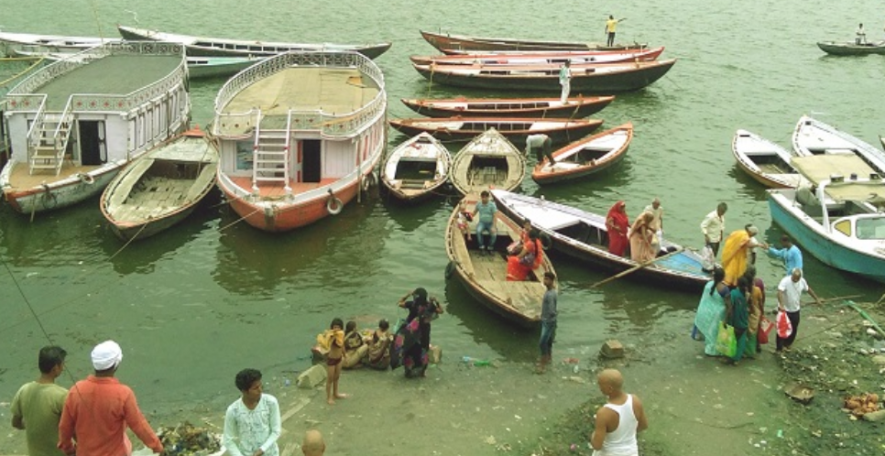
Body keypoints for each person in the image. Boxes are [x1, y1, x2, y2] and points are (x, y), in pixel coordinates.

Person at [58, 340, 164, 456]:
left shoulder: (76, 390)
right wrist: (157, 446)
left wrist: (68, 448)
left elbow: (65, 427)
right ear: (116, 364)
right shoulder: (123, 393)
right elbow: (139, 425)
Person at [11, 346, 68, 456]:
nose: (63, 368)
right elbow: (72, 430)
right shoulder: (62, 395)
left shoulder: (24, 390)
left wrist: (35, 426)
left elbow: (15, 423)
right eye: (62, 364)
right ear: (55, 368)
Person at [222, 368, 281, 456]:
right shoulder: (233, 411)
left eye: (261, 386)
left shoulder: (270, 403)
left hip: (270, 453)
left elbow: (276, 431)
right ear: (244, 391)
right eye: (255, 388)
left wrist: (262, 449)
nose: (260, 390)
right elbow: (228, 440)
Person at [589, 369, 648, 455]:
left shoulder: (604, 413)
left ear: (610, 389)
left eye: (600, 384)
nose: (599, 387)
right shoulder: (635, 400)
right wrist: (626, 432)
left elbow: (597, 445)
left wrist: (593, 435)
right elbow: (643, 425)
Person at [393, 288, 444, 378]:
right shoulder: (429, 306)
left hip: (411, 333)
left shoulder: (412, 304)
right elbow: (441, 311)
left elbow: (399, 303)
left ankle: (408, 371)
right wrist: (436, 301)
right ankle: (422, 373)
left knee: (409, 351)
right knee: (423, 350)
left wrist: (407, 294)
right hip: (423, 333)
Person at [776, 268, 821, 353]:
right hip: (785, 310)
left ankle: (787, 344)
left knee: (794, 328)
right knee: (782, 329)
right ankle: (779, 348)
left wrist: (816, 299)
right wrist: (781, 305)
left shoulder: (802, 281)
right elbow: (779, 292)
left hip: (795, 309)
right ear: (792, 275)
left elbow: (808, 290)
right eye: (794, 278)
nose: (796, 280)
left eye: (798, 278)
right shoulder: (785, 281)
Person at [693, 267, 731, 357]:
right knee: (714, 334)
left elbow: (705, 299)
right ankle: (712, 351)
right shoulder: (724, 289)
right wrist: (727, 319)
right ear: (723, 277)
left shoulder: (708, 285)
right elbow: (729, 306)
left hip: (707, 312)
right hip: (718, 314)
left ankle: (709, 348)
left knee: (709, 333)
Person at [725, 277, 751, 365]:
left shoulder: (733, 293)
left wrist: (726, 320)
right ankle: (737, 359)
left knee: (731, 340)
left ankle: (729, 357)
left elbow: (730, 308)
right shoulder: (747, 295)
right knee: (741, 342)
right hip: (743, 322)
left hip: (735, 321)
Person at [536, 272, 558, 374]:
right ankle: (549, 357)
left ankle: (543, 362)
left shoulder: (550, 294)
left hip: (548, 321)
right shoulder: (550, 292)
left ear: (552, 281)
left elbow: (552, 310)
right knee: (548, 342)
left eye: (547, 280)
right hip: (547, 320)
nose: (545, 281)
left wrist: (548, 318)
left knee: (542, 342)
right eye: (544, 279)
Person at [744, 266, 766, 356]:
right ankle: (756, 345)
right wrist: (762, 310)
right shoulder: (759, 283)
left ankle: (744, 348)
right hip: (756, 310)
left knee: (746, 330)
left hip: (746, 309)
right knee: (755, 329)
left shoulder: (743, 283)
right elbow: (762, 298)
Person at [325, 318, 347, 404]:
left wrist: (345, 356)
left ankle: (335, 393)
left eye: (338, 327)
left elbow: (342, 346)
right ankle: (328, 397)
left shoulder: (341, 336)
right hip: (332, 360)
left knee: (336, 377)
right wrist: (330, 335)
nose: (336, 329)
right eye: (334, 327)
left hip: (339, 358)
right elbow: (327, 343)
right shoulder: (332, 336)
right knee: (330, 379)